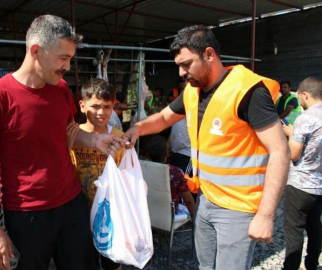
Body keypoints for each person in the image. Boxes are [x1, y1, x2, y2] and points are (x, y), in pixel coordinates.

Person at [123, 25, 290, 270]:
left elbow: (280, 151)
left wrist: (265, 216)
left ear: (209, 54)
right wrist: (136, 129)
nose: (181, 73)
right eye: (179, 65)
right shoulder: (193, 90)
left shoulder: (248, 92)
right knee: (203, 266)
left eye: (186, 64)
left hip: (238, 209)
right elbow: (164, 118)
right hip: (206, 201)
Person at [0, 15, 124, 270]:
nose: (67, 66)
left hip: (71, 204)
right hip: (26, 212)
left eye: (70, 58)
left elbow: (66, 133)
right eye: (63, 58)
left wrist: (96, 139)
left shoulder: (60, 89)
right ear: (36, 51)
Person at [70, 78, 125, 270]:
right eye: (95, 106)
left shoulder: (118, 137)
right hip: (79, 213)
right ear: (82, 106)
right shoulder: (73, 135)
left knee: (113, 262)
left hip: (111, 214)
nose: (101, 112)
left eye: (107, 107)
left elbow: (127, 174)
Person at [282, 77, 322, 270]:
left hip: (300, 184)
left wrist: (290, 134)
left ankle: (290, 267)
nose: (299, 101)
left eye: (299, 97)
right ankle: (312, 264)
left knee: (294, 230)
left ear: (305, 94)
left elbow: (294, 154)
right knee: (314, 227)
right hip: (320, 186)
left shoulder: (304, 119)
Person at [144, 135, 195, 217]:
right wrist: (195, 219)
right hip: (170, 216)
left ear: (147, 153)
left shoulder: (142, 169)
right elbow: (189, 201)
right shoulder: (176, 172)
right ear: (167, 153)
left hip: (148, 213)